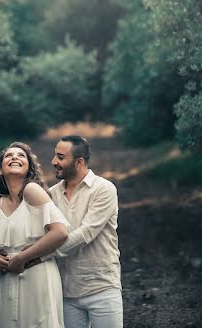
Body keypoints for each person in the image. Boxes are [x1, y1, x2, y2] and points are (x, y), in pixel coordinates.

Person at [0, 141, 69, 328]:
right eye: (9, 155)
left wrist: (22, 258)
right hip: (9, 279)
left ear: (29, 168)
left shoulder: (32, 190)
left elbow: (60, 232)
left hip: (38, 274)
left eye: (21, 155)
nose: (15, 157)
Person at [49, 135, 123, 328]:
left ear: (79, 162)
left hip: (101, 286)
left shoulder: (104, 189)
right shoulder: (51, 194)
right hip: (65, 291)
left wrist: (39, 254)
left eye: (60, 157)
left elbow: (86, 233)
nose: (53, 162)